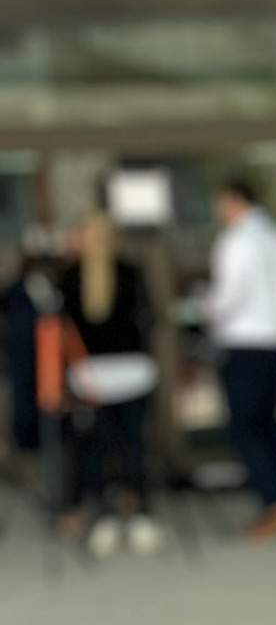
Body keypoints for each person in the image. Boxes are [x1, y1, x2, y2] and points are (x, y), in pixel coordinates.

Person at [205, 178, 276, 543]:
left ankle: (273, 505)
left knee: (247, 426)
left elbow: (229, 295)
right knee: (268, 423)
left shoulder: (236, 242)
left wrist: (207, 309)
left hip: (245, 342)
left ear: (233, 201)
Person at [58, 210, 163, 557]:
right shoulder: (130, 272)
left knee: (97, 446)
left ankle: (102, 513)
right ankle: (139, 509)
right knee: (133, 443)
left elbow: (63, 334)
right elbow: (151, 319)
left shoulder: (68, 278)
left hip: (91, 376)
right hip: (132, 371)